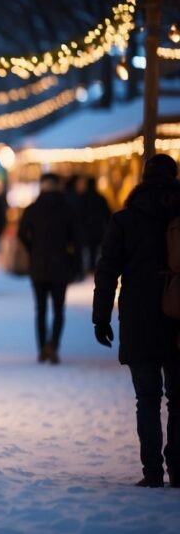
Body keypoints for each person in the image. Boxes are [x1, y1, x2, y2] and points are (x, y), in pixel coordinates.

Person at [93, 154, 180, 488]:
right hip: (178, 317)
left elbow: (107, 270)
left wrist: (101, 317)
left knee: (147, 397)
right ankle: (178, 468)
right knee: (178, 397)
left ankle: (153, 471)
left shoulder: (126, 220)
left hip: (140, 317)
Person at [18, 173, 80, 365]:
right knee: (59, 309)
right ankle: (53, 345)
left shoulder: (32, 209)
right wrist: (74, 261)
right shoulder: (68, 209)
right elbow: (76, 239)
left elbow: (22, 234)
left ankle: (41, 349)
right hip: (60, 265)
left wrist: (32, 248)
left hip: (38, 265)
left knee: (41, 309)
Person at [77, 177, 112, 275]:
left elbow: (79, 214)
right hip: (98, 228)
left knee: (89, 249)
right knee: (96, 248)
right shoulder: (100, 198)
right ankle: (94, 266)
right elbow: (108, 214)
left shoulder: (82, 198)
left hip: (86, 229)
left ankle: (89, 266)